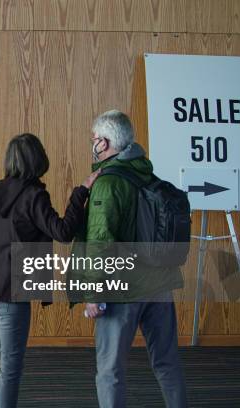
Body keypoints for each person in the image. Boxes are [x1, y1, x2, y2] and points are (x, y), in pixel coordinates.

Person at [0, 133, 99, 408]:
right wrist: (79, 193)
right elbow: (62, 231)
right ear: (38, 160)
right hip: (13, 294)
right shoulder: (34, 195)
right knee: (10, 368)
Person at [73, 110, 187, 408]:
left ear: (105, 143)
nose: (92, 144)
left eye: (94, 139)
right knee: (166, 362)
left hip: (122, 290)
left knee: (110, 371)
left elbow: (100, 241)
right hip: (160, 285)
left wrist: (92, 293)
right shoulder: (147, 173)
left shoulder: (108, 184)